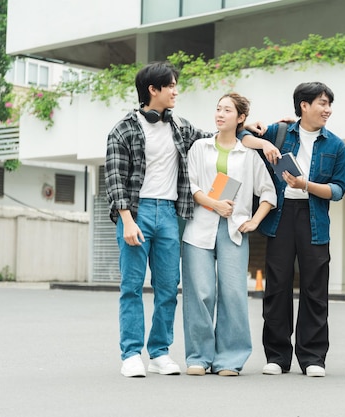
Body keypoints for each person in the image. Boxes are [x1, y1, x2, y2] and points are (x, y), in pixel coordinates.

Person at [105, 61, 215, 378]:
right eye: (170, 86)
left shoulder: (179, 126)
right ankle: (130, 354)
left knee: (168, 288)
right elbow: (115, 180)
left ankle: (160, 352)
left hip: (169, 214)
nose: (175, 91)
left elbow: (214, 138)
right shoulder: (123, 129)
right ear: (152, 90)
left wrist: (258, 132)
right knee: (132, 287)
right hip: (136, 214)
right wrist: (126, 220)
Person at [242, 82, 345, 377]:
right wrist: (261, 139)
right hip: (282, 214)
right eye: (322, 103)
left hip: (314, 217)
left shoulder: (336, 145)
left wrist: (306, 186)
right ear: (303, 105)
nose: (327, 110)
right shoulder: (279, 132)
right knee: (277, 286)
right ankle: (277, 356)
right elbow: (239, 136)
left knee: (315, 289)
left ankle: (313, 357)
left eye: (329, 104)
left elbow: (338, 190)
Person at [181, 93, 277, 377]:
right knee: (200, 293)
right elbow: (192, 185)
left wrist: (254, 221)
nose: (220, 114)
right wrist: (215, 204)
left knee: (233, 294)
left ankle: (229, 360)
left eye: (227, 110)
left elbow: (268, 192)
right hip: (199, 228)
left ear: (241, 118)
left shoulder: (248, 155)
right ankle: (198, 357)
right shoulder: (199, 147)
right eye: (218, 109)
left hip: (234, 231)